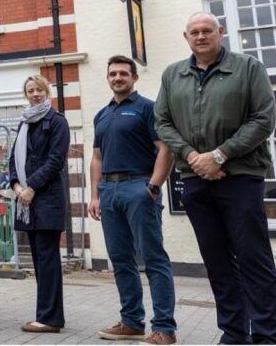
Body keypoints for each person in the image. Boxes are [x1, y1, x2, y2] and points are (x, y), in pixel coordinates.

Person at [155, 12, 276, 345]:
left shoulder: (249, 68)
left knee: (253, 258)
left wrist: (220, 155)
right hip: (196, 177)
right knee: (217, 262)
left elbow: (263, 119)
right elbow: (163, 123)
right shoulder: (173, 75)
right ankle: (234, 333)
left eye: (207, 31)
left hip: (240, 176)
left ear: (220, 32)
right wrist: (192, 156)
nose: (201, 36)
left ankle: (269, 337)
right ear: (186, 37)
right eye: (194, 32)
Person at [89, 56, 176, 345]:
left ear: (134, 78)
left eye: (123, 73)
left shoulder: (148, 108)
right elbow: (97, 158)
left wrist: (152, 187)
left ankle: (164, 328)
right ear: (108, 78)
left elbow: (166, 149)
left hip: (139, 186)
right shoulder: (101, 115)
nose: (117, 77)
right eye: (112, 73)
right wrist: (94, 194)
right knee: (120, 259)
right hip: (109, 192)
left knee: (153, 259)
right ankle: (131, 322)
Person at [9, 74, 69, 333]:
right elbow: (13, 160)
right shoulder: (24, 123)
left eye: (39, 90)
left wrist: (31, 186)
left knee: (47, 261)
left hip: (46, 199)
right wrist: (16, 186)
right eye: (31, 90)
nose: (35, 94)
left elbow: (56, 160)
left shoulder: (57, 122)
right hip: (27, 201)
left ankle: (50, 318)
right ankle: (47, 314)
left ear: (47, 92)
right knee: (39, 260)